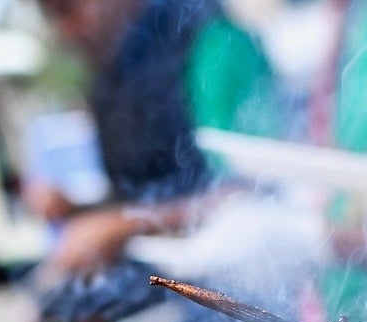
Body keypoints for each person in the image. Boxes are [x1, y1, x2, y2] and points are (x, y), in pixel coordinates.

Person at [30, 0, 276, 281]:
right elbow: (140, 193)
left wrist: (124, 225)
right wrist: (77, 208)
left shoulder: (214, 44)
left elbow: (255, 189)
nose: (64, 32)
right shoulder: (111, 76)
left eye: (67, 10)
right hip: (161, 287)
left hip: (239, 289)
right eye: (50, 16)